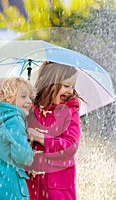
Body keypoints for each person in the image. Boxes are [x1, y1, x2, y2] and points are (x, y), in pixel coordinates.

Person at [26, 61, 82, 200]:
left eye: (73, 87)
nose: (70, 91)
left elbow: (70, 146)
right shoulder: (31, 108)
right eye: (66, 85)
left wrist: (41, 138)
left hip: (57, 188)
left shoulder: (69, 111)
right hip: (31, 184)